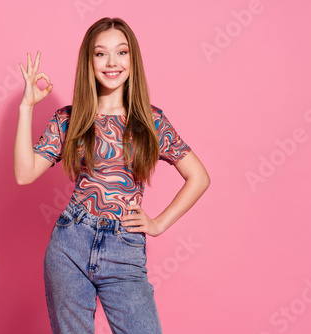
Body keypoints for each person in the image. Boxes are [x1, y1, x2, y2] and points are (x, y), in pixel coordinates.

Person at [14, 17, 210, 334]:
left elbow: (199, 177)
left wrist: (158, 224)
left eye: (121, 52)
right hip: (70, 244)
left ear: (132, 60)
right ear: (88, 61)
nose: (111, 62)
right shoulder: (69, 118)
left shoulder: (151, 121)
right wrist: (26, 108)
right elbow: (24, 174)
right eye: (100, 53)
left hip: (124, 246)